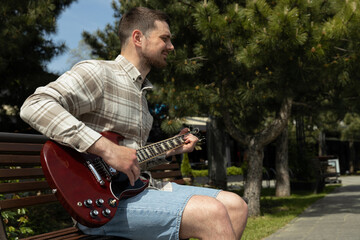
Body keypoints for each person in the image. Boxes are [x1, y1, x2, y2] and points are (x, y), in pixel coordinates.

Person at [20, 7, 248, 240]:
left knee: (236, 206)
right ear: (138, 38)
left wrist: (171, 149)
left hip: (134, 190)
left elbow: (131, 160)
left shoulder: (141, 96)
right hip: (102, 206)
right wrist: (107, 149)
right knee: (212, 213)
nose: (171, 47)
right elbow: (35, 105)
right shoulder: (98, 72)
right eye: (165, 39)